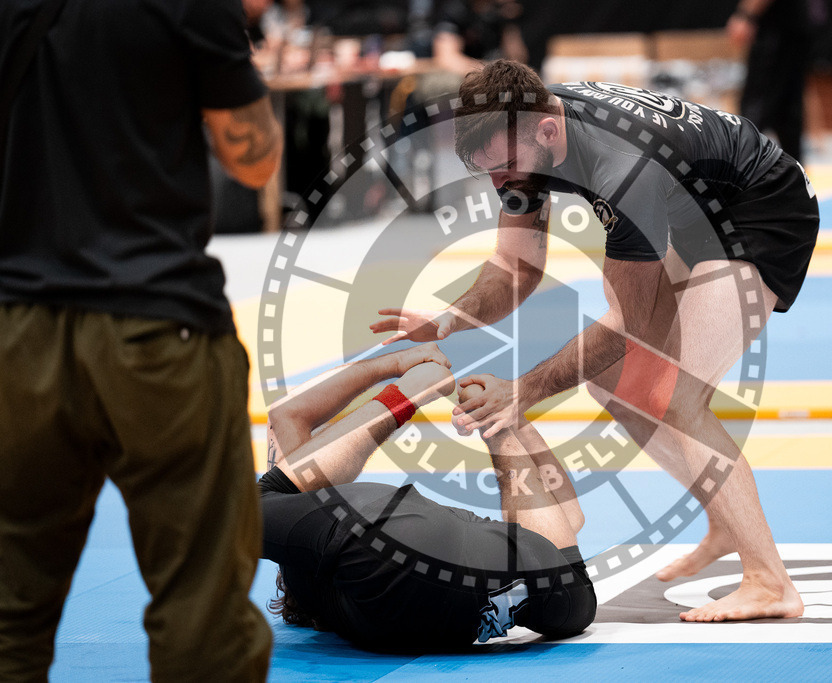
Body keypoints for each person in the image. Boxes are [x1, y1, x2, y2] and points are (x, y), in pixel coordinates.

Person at [371, 59, 818, 622]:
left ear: (548, 131)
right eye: (487, 172)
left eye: (505, 169)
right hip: (695, 207)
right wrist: (449, 320)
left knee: (680, 398)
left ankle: (771, 582)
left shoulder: (623, 170)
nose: (500, 186)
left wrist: (525, 390)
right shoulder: (524, 131)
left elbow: (632, 324)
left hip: (762, 208)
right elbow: (515, 268)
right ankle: (727, 521)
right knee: (611, 382)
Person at [0, 0, 282, 679]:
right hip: (158, 326)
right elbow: (253, 159)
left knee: (10, 611)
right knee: (202, 615)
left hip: (18, 329)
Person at [260, 343, 596, 648]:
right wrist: (506, 412)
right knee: (256, 504)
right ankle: (451, 408)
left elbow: (568, 518)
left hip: (421, 577)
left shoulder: (304, 574)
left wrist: (508, 419)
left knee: (574, 590)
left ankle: (469, 416)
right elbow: (286, 413)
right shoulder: (302, 561)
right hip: (397, 545)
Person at [727, 0, 814, 162]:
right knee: (787, 110)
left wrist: (746, 16)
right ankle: (794, 173)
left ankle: (741, 168)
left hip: (776, 31)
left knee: (757, 106)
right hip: (793, 27)